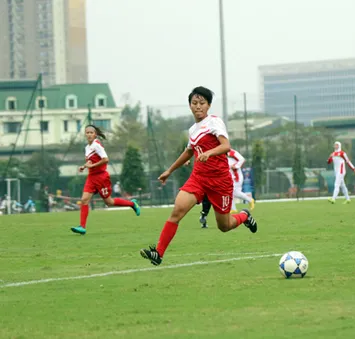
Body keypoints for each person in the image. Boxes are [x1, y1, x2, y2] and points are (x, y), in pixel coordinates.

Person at [140, 86, 258, 266]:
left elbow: (226, 146)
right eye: (194, 103)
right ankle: (158, 253)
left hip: (220, 181)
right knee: (177, 211)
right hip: (199, 179)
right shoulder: (193, 130)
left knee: (224, 226)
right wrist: (169, 171)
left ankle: (244, 216)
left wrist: (209, 153)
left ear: (208, 105)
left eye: (202, 103)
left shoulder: (214, 122)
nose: (198, 106)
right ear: (190, 106)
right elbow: (188, 152)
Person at [70, 125, 141, 235]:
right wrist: (84, 166)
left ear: (95, 134)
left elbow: (105, 159)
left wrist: (93, 166)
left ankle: (132, 204)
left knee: (109, 202)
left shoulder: (97, 145)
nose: (88, 134)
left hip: (101, 177)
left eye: (91, 132)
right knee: (84, 200)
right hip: (91, 177)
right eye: (87, 132)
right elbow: (91, 162)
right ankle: (82, 227)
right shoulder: (87, 148)